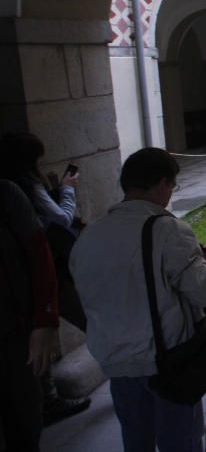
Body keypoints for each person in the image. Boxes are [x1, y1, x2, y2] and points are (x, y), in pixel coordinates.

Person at [70, 147, 206, 452]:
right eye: (172, 187)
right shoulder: (168, 230)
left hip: (116, 360)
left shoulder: (89, 236)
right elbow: (203, 292)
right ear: (162, 184)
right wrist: (203, 264)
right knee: (181, 441)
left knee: (136, 440)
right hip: (165, 361)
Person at [0, 132, 90, 423]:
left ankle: (47, 399)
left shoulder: (12, 188)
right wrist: (67, 189)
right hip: (45, 274)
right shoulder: (20, 187)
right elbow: (61, 219)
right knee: (88, 319)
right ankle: (47, 401)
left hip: (20, 285)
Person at [0, 180, 60, 451]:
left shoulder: (5, 194)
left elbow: (39, 255)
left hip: (12, 329)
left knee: (23, 415)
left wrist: (45, 321)